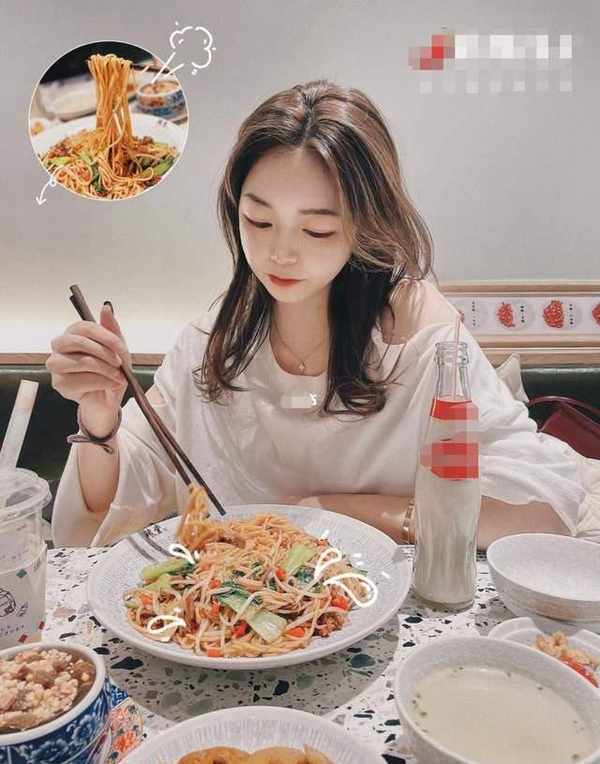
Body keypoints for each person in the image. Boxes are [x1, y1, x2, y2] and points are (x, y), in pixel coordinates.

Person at [47, 79, 600, 549]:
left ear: (365, 223)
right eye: (258, 221)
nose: (281, 254)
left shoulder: (418, 335)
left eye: (316, 229)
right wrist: (99, 419)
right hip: (242, 618)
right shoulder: (216, 343)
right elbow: (105, 513)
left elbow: (539, 507)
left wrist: (333, 510)